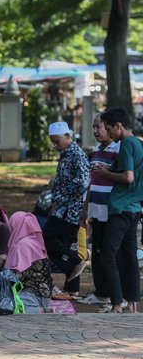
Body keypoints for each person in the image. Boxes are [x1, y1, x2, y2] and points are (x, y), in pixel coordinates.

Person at [94, 107, 143, 313]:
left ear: (118, 126)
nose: (108, 133)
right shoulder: (139, 144)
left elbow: (128, 177)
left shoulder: (125, 144)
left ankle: (116, 303)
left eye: (108, 128)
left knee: (108, 255)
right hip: (134, 207)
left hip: (121, 207)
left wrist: (106, 173)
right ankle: (132, 301)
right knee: (130, 254)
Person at [43, 121, 90, 296]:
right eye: (53, 141)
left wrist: (61, 198)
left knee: (47, 236)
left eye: (57, 140)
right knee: (69, 244)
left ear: (68, 136)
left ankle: (74, 264)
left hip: (70, 209)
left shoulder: (76, 154)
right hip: (65, 207)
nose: (55, 145)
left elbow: (83, 182)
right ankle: (72, 288)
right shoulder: (66, 153)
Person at [79, 114, 120, 305]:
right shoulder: (95, 151)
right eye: (93, 127)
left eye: (99, 127)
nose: (95, 131)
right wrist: (85, 208)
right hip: (96, 209)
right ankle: (101, 291)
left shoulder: (119, 150)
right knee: (96, 251)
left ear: (110, 127)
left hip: (111, 210)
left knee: (109, 253)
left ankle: (114, 293)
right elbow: (91, 183)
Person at [5, 212, 53, 314]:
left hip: (32, 294)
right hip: (44, 293)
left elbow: (16, 276)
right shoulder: (33, 241)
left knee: (7, 305)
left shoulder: (23, 245)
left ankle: (41, 311)